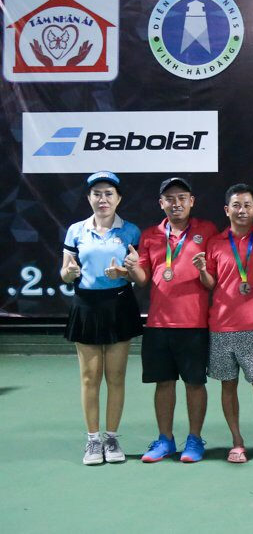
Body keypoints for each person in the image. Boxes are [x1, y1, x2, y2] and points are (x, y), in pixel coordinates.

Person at [126, 177, 217, 463]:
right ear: (161, 203)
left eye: (181, 198)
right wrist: (131, 268)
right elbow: (142, 279)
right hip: (158, 325)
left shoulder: (207, 230)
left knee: (194, 384)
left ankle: (195, 440)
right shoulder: (150, 235)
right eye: (169, 198)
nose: (176, 203)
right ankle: (165, 440)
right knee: (163, 384)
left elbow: (211, 282)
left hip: (194, 325)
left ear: (192, 201)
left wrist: (203, 270)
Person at [195, 184, 253, 463]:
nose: (242, 210)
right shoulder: (215, 242)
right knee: (228, 385)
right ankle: (237, 442)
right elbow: (211, 283)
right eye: (236, 205)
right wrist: (202, 271)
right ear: (227, 210)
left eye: (247, 205)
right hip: (222, 327)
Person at [62, 171, 142, 465]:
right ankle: (93, 441)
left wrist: (125, 271)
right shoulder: (76, 231)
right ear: (89, 198)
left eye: (109, 193)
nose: (103, 199)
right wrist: (69, 273)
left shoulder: (131, 231)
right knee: (89, 377)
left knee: (116, 376)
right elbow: (65, 272)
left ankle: (112, 438)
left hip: (119, 305)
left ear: (118, 199)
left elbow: (137, 273)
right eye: (97, 194)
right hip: (86, 306)